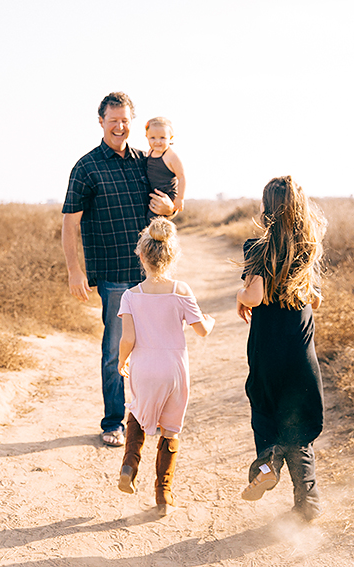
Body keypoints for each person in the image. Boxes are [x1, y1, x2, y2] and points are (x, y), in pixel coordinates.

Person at [61, 92, 176, 447]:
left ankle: (146, 418)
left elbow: (168, 204)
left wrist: (172, 207)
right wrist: (75, 271)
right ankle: (113, 422)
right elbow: (69, 224)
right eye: (113, 121)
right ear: (101, 122)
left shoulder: (146, 161)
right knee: (115, 350)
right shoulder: (86, 167)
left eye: (125, 120)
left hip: (148, 276)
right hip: (112, 277)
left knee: (152, 349)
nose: (120, 127)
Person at [235, 175, 327, 522]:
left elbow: (255, 295)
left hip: (267, 354)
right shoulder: (306, 248)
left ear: (266, 210)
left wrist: (240, 297)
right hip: (301, 356)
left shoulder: (257, 248)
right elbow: (315, 300)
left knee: (267, 415)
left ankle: (268, 461)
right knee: (299, 430)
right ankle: (309, 504)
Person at [116, 218, 215, 516]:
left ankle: (129, 465)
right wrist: (210, 320)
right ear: (172, 256)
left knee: (136, 411)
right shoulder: (181, 290)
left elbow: (128, 338)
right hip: (174, 370)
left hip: (143, 367)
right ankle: (164, 494)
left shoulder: (131, 295)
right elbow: (201, 331)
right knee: (170, 430)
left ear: (142, 256)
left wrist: (123, 361)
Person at [144, 117, 186, 220]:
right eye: (153, 138)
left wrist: (179, 198)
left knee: (153, 219)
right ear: (147, 137)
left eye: (162, 138)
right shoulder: (150, 152)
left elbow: (181, 177)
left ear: (170, 138)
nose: (157, 141)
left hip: (167, 194)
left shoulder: (171, 156)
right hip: (155, 193)